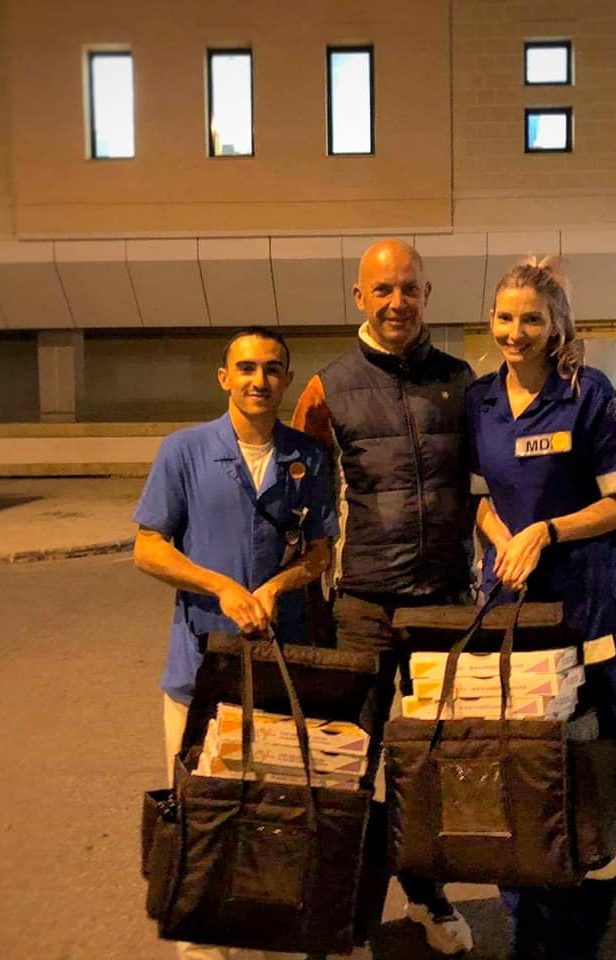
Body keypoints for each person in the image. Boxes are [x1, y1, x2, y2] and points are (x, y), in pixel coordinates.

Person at [292, 239, 475, 955]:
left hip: (444, 604)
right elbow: (299, 505)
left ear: (427, 293)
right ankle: (341, 912)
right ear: (358, 296)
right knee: (348, 765)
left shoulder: (461, 381)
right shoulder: (326, 386)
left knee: (429, 767)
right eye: (382, 289)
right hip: (363, 603)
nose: (396, 302)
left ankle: (428, 900)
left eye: (409, 288)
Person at [133, 326, 338, 960]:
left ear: (286, 379)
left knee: (276, 801)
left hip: (283, 662)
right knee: (200, 801)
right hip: (201, 664)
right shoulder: (184, 451)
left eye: (272, 369)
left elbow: (323, 550)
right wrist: (219, 585)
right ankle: (197, 937)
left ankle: (269, 913)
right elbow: (149, 548)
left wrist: (280, 583)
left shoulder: (308, 456)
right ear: (224, 377)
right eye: (245, 368)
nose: (259, 379)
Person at [465, 258, 616, 960]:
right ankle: (525, 915)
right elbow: (480, 497)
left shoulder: (586, 395)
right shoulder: (480, 401)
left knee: (584, 774)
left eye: (531, 319)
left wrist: (546, 531)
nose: (516, 331)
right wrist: (503, 535)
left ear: (555, 326)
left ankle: (576, 922)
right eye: (505, 317)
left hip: (583, 623)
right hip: (510, 624)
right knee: (517, 774)